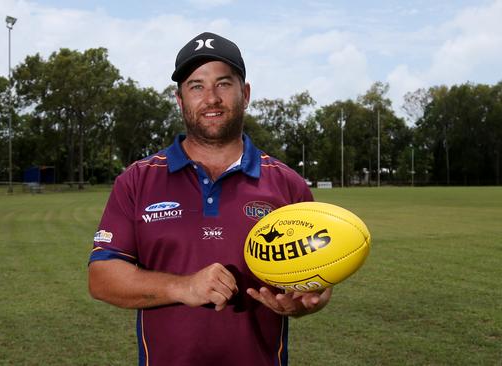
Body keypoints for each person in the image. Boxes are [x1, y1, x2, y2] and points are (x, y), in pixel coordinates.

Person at [88, 31, 332, 366]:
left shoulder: (287, 184)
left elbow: (318, 274)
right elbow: (102, 278)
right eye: (196, 86)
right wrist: (183, 287)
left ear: (245, 94)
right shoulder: (138, 179)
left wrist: (310, 298)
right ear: (180, 99)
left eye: (224, 84)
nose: (211, 98)